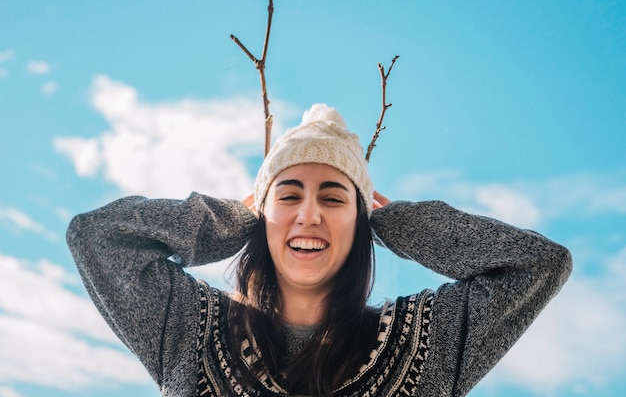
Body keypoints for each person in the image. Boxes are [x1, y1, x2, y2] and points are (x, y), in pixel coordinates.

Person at [66, 103, 572, 397]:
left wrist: (401, 222)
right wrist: (234, 218)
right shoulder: (190, 331)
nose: (309, 214)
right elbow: (98, 238)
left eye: (333, 197)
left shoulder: (424, 345)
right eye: (288, 196)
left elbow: (539, 265)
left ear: (361, 221)